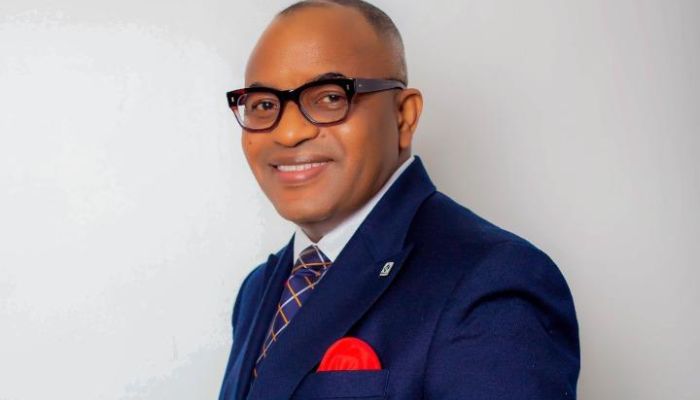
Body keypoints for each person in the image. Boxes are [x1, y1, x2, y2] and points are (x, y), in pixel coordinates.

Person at [218, 1, 580, 399]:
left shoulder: (490, 280)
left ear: (404, 116)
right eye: (264, 105)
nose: (288, 133)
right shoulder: (259, 289)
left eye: (330, 97)